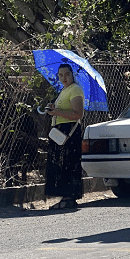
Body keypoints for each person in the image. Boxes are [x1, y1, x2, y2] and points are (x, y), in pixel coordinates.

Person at [45, 63, 85, 210]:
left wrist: (56, 112)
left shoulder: (75, 89)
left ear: (72, 74)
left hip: (69, 132)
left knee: (69, 164)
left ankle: (68, 197)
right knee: (61, 165)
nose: (64, 78)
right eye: (61, 75)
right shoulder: (64, 90)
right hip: (60, 131)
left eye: (67, 74)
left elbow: (77, 114)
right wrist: (54, 108)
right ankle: (66, 197)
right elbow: (62, 109)